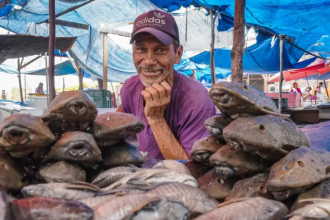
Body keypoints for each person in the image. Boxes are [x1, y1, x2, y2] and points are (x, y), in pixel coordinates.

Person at [117, 10, 216, 160]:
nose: (149, 60)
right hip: (144, 177)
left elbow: (193, 169)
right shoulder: (130, 87)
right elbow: (116, 125)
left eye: (160, 50)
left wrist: (156, 118)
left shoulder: (197, 101)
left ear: (178, 54)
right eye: (141, 49)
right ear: (133, 53)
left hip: (180, 182)